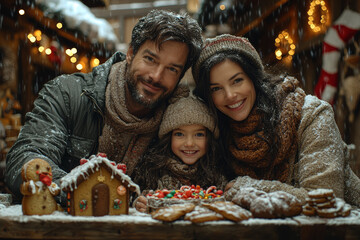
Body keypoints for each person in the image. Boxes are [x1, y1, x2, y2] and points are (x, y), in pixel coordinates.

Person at [5, 10, 203, 204]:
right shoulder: (68, 95)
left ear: (180, 77)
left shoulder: (180, 120)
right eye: (150, 59)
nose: (156, 76)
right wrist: (89, 194)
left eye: (172, 69)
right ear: (131, 53)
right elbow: (24, 159)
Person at [192, 34, 360, 206]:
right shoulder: (218, 131)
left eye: (237, 81)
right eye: (216, 88)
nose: (230, 95)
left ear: (254, 78)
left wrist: (250, 188)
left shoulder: (311, 115)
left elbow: (325, 201)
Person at [133, 92, 228, 212]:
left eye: (199, 134)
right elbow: (136, 199)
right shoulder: (152, 171)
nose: (189, 143)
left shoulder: (217, 175)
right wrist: (140, 204)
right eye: (179, 134)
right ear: (169, 138)